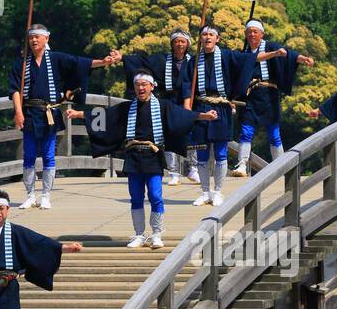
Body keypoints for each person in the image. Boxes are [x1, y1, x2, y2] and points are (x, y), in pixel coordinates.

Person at [84, 72, 217, 248]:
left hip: (153, 155)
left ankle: (156, 233)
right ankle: (139, 234)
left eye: (144, 84)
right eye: (138, 84)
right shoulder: (127, 107)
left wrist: (205, 116)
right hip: (133, 155)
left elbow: (184, 116)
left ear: (152, 87)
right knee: (136, 197)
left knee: (155, 195)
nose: (141, 88)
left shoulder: (163, 106)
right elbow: (105, 115)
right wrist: (80, 114)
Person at [9, 24, 120, 210]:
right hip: (28, 112)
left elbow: (80, 63)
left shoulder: (56, 59)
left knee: (48, 155)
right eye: (31, 38)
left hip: (48, 112)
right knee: (28, 155)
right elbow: (14, 90)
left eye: (38, 37)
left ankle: (45, 194)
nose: (34, 40)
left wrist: (104, 62)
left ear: (46, 39)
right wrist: (18, 111)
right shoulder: (21, 63)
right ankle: (30, 195)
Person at [230, 20, 314, 177]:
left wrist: (302, 58)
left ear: (262, 34)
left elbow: (289, 54)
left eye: (256, 31)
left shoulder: (271, 46)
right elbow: (253, 59)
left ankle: (281, 167)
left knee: (273, 133)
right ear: (245, 34)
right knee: (246, 131)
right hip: (251, 95)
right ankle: (242, 164)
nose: (252, 34)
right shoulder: (243, 52)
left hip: (269, 95)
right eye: (250, 31)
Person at [117, 29, 199, 185]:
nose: (179, 44)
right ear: (172, 44)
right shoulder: (162, 60)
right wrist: (123, 58)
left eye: (182, 41)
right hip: (168, 101)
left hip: (187, 101)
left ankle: (193, 168)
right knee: (168, 135)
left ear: (188, 44)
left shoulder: (193, 62)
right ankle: (173, 172)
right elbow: (142, 61)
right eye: (176, 41)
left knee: (190, 135)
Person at [189, 27, 258, 207]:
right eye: (204, 34)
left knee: (220, 152)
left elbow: (249, 60)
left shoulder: (227, 56)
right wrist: (188, 110)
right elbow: (186, 86)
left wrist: (272, 54)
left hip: (221, 107)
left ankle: (218, 191)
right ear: (200, 39)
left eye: (211, 35)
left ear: (217, 38)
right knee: (202, 152)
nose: (207, 37)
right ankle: (205, 192)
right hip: (201, 106)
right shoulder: (194, 60)